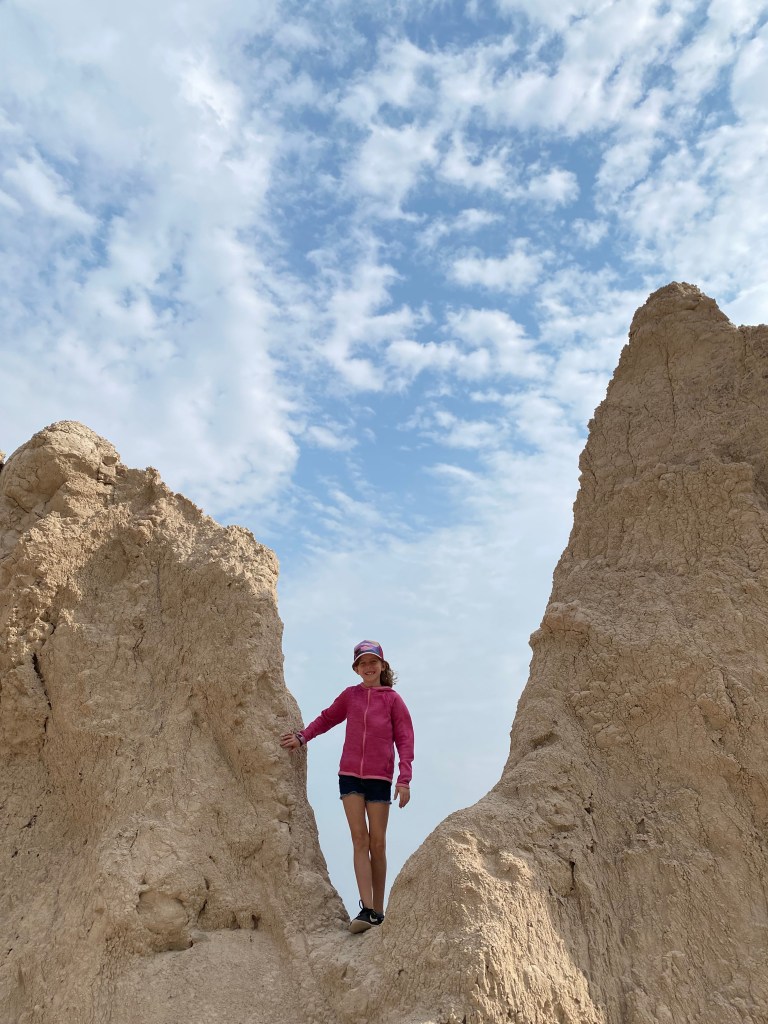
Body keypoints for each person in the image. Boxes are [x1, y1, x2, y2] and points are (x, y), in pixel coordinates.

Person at [280, 640, 414, 933]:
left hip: (380, 777)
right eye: (362, 663)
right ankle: (367, 909)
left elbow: (405, 740)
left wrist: (404, 779)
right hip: (350, 774)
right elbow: (328, 718)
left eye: (373, 662)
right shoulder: (350, 696)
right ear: (356, 669)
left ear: (382, 665)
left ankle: (378, 911)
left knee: (378, 843)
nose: (368, 667)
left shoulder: (393, 700)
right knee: (359, 839)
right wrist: (303, 737)